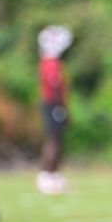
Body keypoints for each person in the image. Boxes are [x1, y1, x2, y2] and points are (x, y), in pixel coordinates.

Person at [35, 25, 73, 195]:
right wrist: (62, 106)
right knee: (53, 140)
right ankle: (46, 175)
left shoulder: (51, 62)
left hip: (54, 104)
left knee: (58, 139)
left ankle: (54, 174)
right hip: (53, 104)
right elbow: (55, 84)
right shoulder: (51, 63)